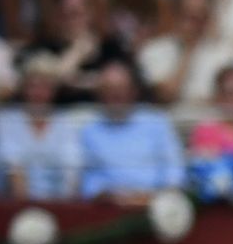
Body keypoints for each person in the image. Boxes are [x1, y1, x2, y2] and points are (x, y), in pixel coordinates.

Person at [77, 60, 185, 197]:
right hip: (108, 206)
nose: (116, 95)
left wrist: (161, 194)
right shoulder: (89, 130)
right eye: (109, 89)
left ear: (134, 91)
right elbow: (86, 178)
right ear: (99, 94)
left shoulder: (156, 121)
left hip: (154, 203)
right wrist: (104, 193)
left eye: (121, 88)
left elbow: (174, 167)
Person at [0, 68, 89, 197]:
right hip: (11, 201)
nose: (38, 93)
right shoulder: (5, 119)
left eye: (45, 87)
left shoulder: (65, 122)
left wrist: (63, 209)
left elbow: (72, 166)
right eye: (33, 87)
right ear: (23, 89)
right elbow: (11, 164)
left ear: (54, 91)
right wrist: (25, 207)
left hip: (57, 200)